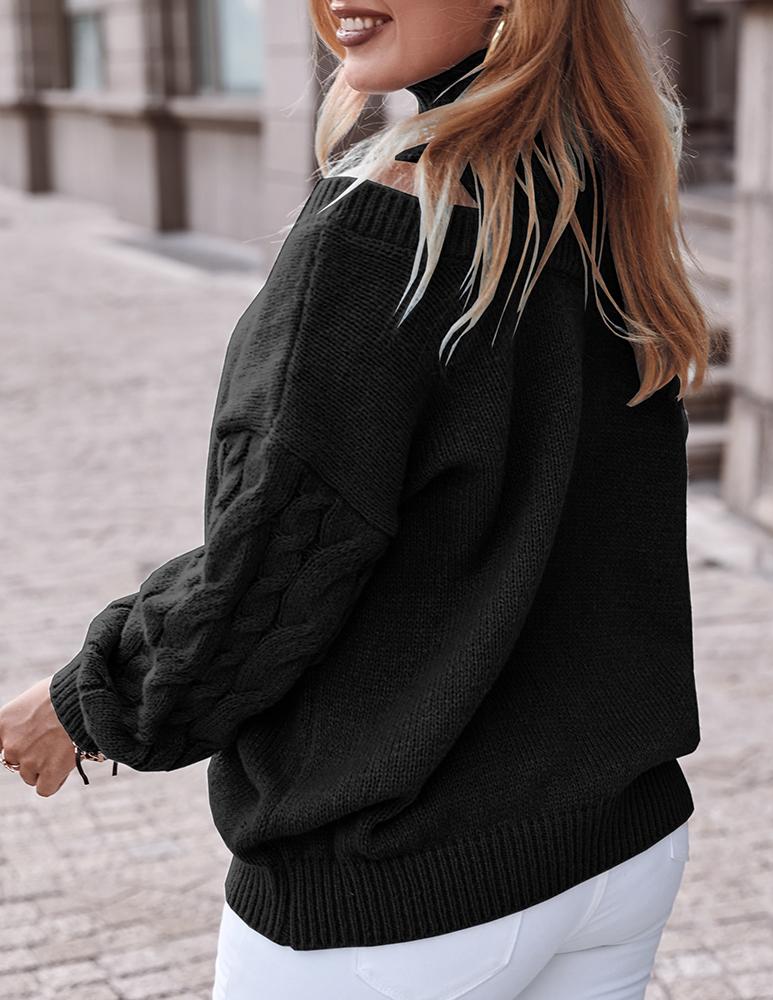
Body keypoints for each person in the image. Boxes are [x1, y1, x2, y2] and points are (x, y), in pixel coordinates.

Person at [0, 0, 717, 996]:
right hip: (615, 846)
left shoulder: (375, 237)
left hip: (395, 899)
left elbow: (265, 569)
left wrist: (87, 698)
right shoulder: (602, 194)